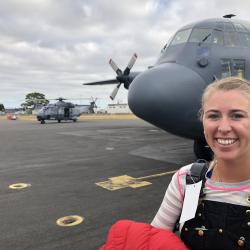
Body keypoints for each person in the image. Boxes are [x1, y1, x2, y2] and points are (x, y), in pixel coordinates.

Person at [151, 76, 250, 249]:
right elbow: (153, 241)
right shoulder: (189, 180)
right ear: (203, 123)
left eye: (237, 115)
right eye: (213, 116)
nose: (224, 127)